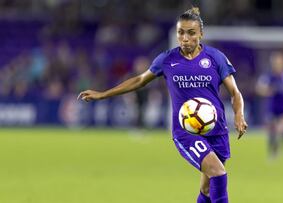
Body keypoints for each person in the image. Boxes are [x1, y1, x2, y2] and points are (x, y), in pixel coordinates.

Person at [78, 7, 248, 203]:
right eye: (181, 32)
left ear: (201, 34)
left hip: (216, 130)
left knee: (208, 188)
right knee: (218, 173)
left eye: (191, 33)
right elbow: (139, 80)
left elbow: (235, 93)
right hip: (187, 132)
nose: (185, 38)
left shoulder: (215, 57)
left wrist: (239, 114)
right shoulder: (167, 59)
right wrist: (103, 94)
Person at [255, 51, 283, 160]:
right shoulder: (268, 76)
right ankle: (272, 152)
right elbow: (259, 89)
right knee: (272, 130)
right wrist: (270, 91)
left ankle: (280, 147)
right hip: (272, 106)